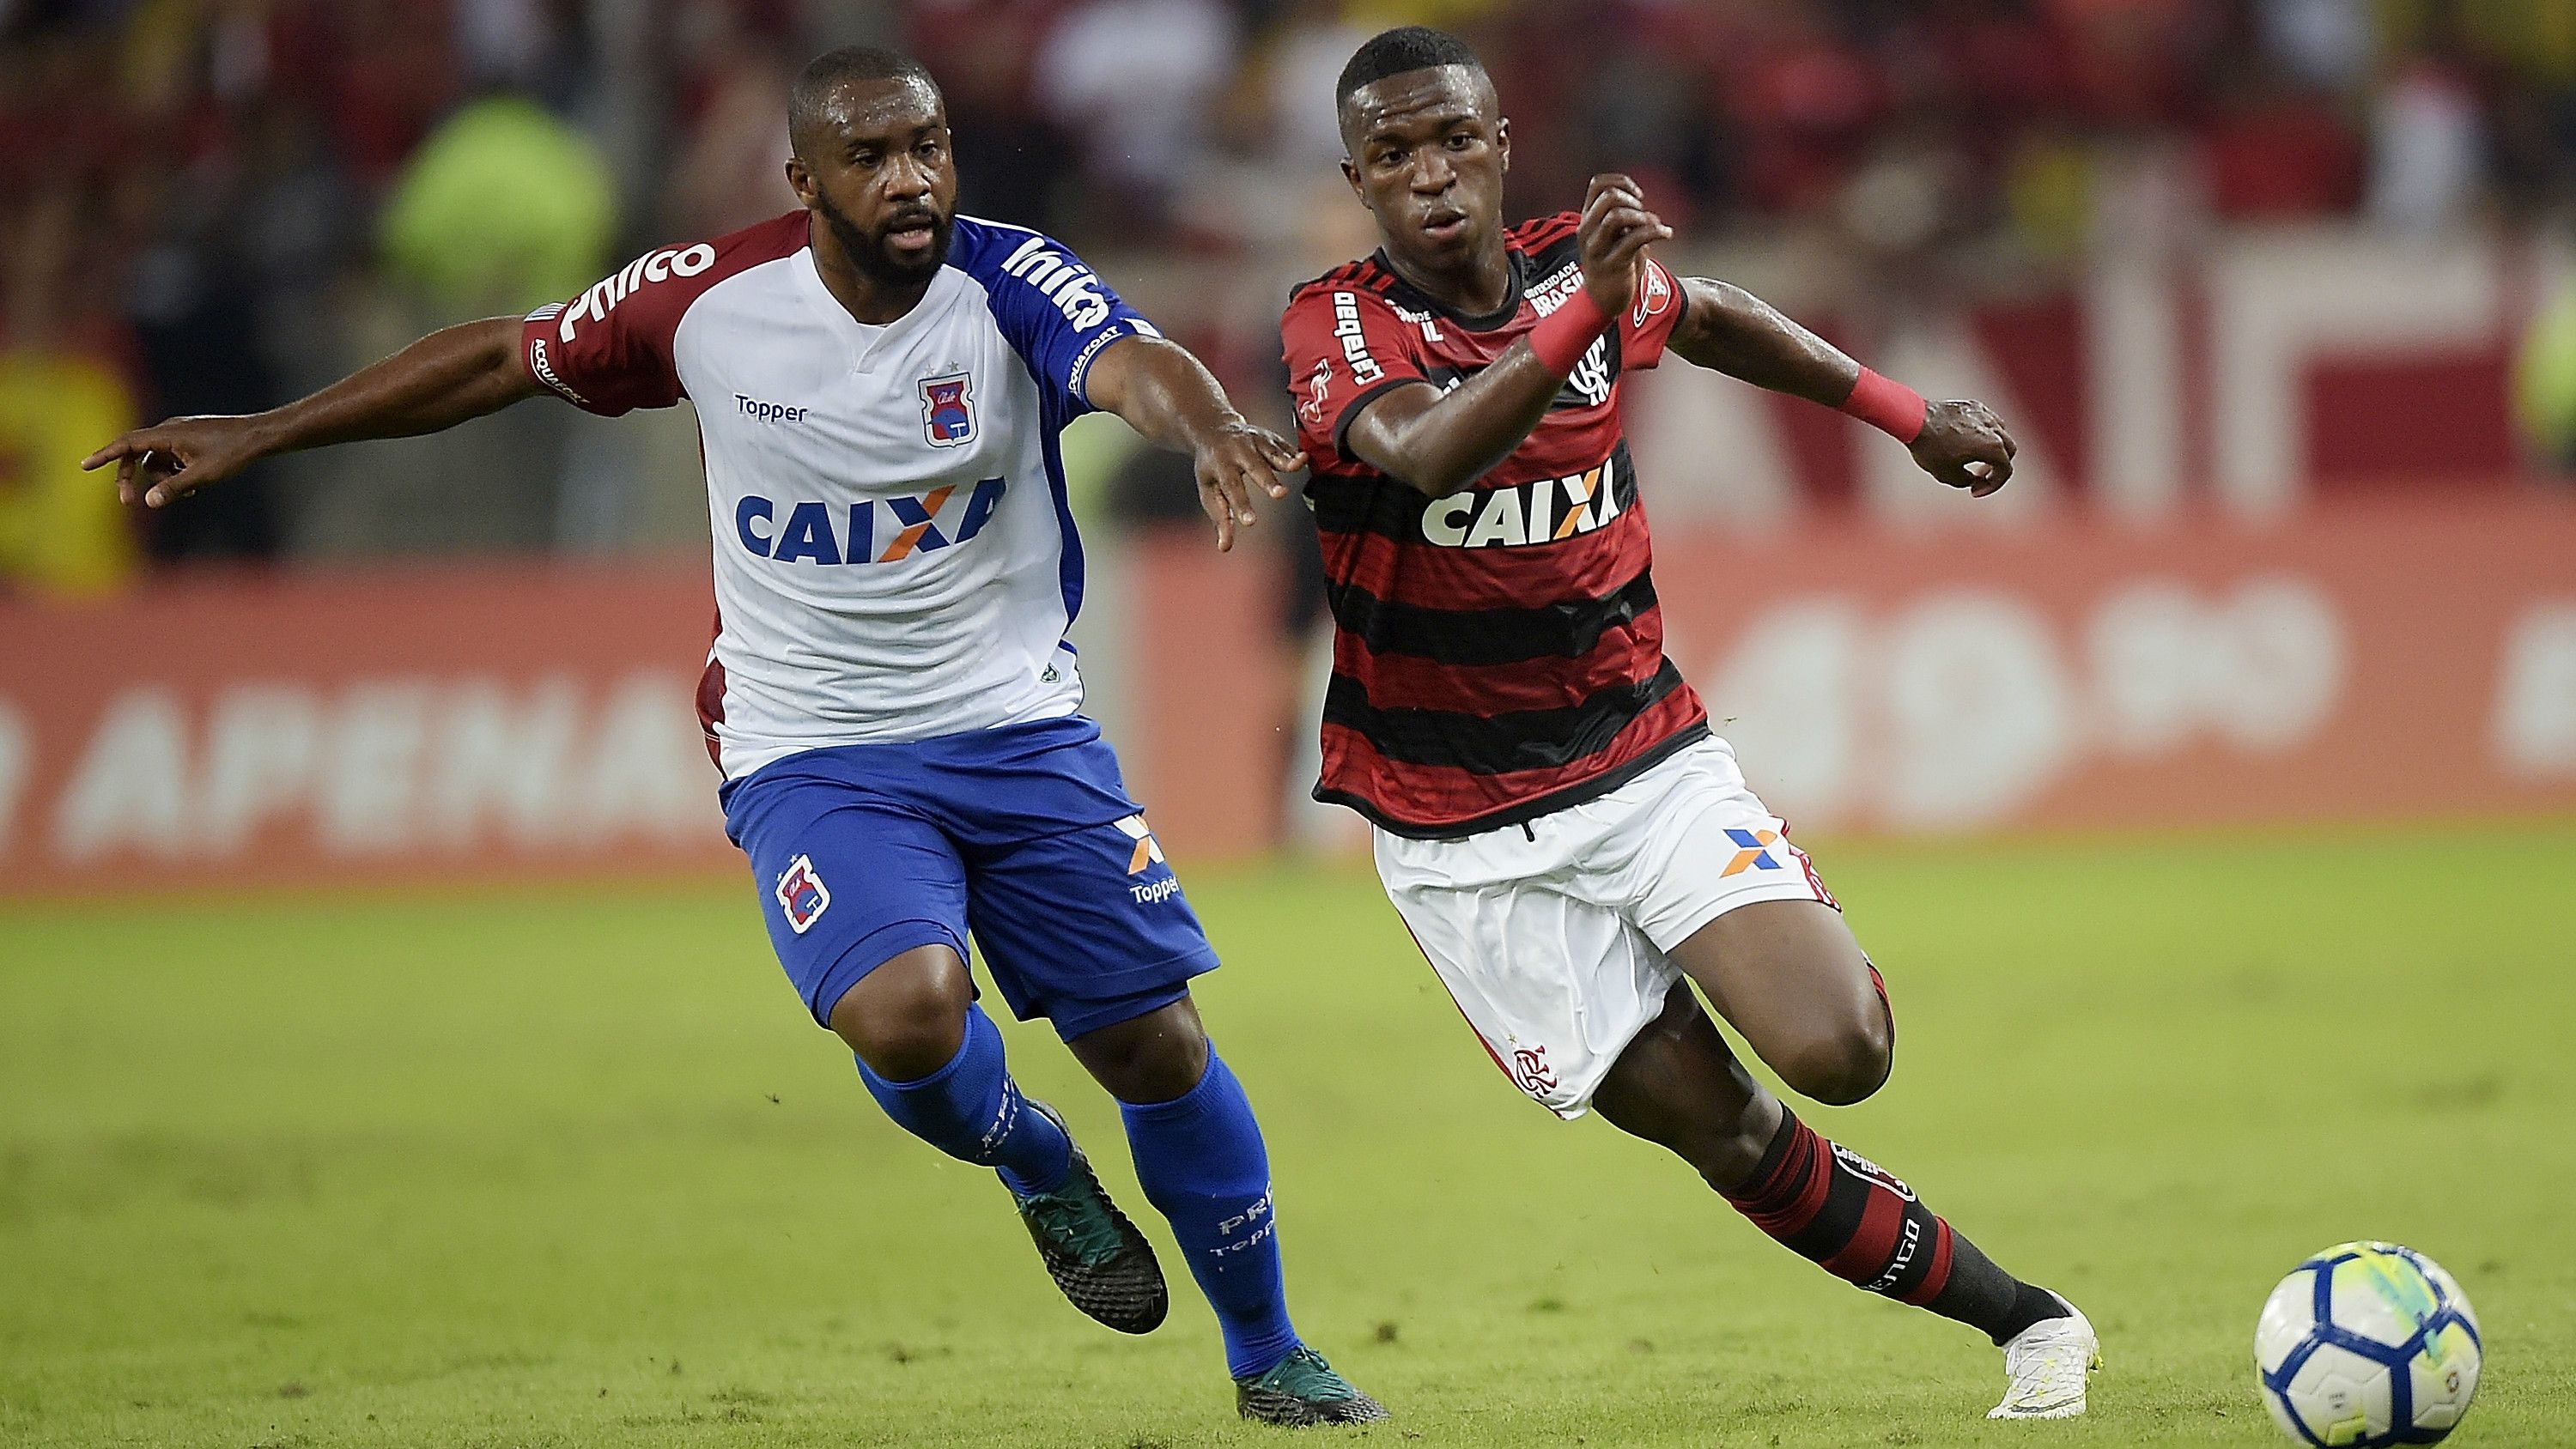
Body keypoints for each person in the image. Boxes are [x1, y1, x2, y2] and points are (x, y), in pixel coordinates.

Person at [86, 46, 1384, 1429]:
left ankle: (1269, 1357)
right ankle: (1030, 1154)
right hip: (811, 746)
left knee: (1160, 1048)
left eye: (929, 148)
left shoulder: (1008, 279)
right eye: (874, 157)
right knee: (907, 1015)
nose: (911, 179)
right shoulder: (707, 299)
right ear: (804, 179)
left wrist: (1211, 432)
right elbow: (498, 356)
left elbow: (1135, 361)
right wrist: (264, 434)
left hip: (1016, 729)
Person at [1278, 27, 2097, 1422]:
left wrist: (1906, 414)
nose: (1431, 175)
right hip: (1460, 835)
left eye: (1455, 141)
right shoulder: (1336, 325)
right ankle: (2026, 1321)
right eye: (1396, 153)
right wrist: (1578, 321)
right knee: (1721, 1128)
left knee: (1845, 1051)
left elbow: (1707, 312)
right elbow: (1426, 452)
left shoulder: (1579, 274)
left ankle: (2015, 1294)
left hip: (1644, 760)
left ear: (1499, 148)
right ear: (1356, 176)